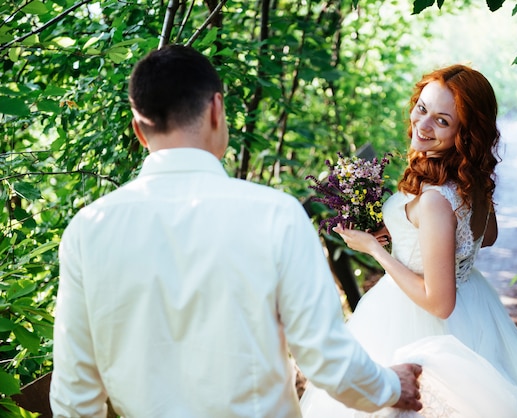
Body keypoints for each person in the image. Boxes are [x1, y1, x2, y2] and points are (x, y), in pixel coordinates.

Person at [48, 44, 424, 418]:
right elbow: (325, 357)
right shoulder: (275, 216)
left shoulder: (87, 231)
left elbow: (74, 397)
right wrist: (392, 387)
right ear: (216, 109)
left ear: (139, 132)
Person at [300, 65, 517, 417]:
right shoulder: (471, 178)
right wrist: (409, 234)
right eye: (422, 108)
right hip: (473, 305)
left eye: (442, 121)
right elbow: (486, 237)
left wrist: (374, 250)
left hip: (422, 320)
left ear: (465, 131)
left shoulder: (434, 199)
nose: (423, 124)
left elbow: (440, 303)